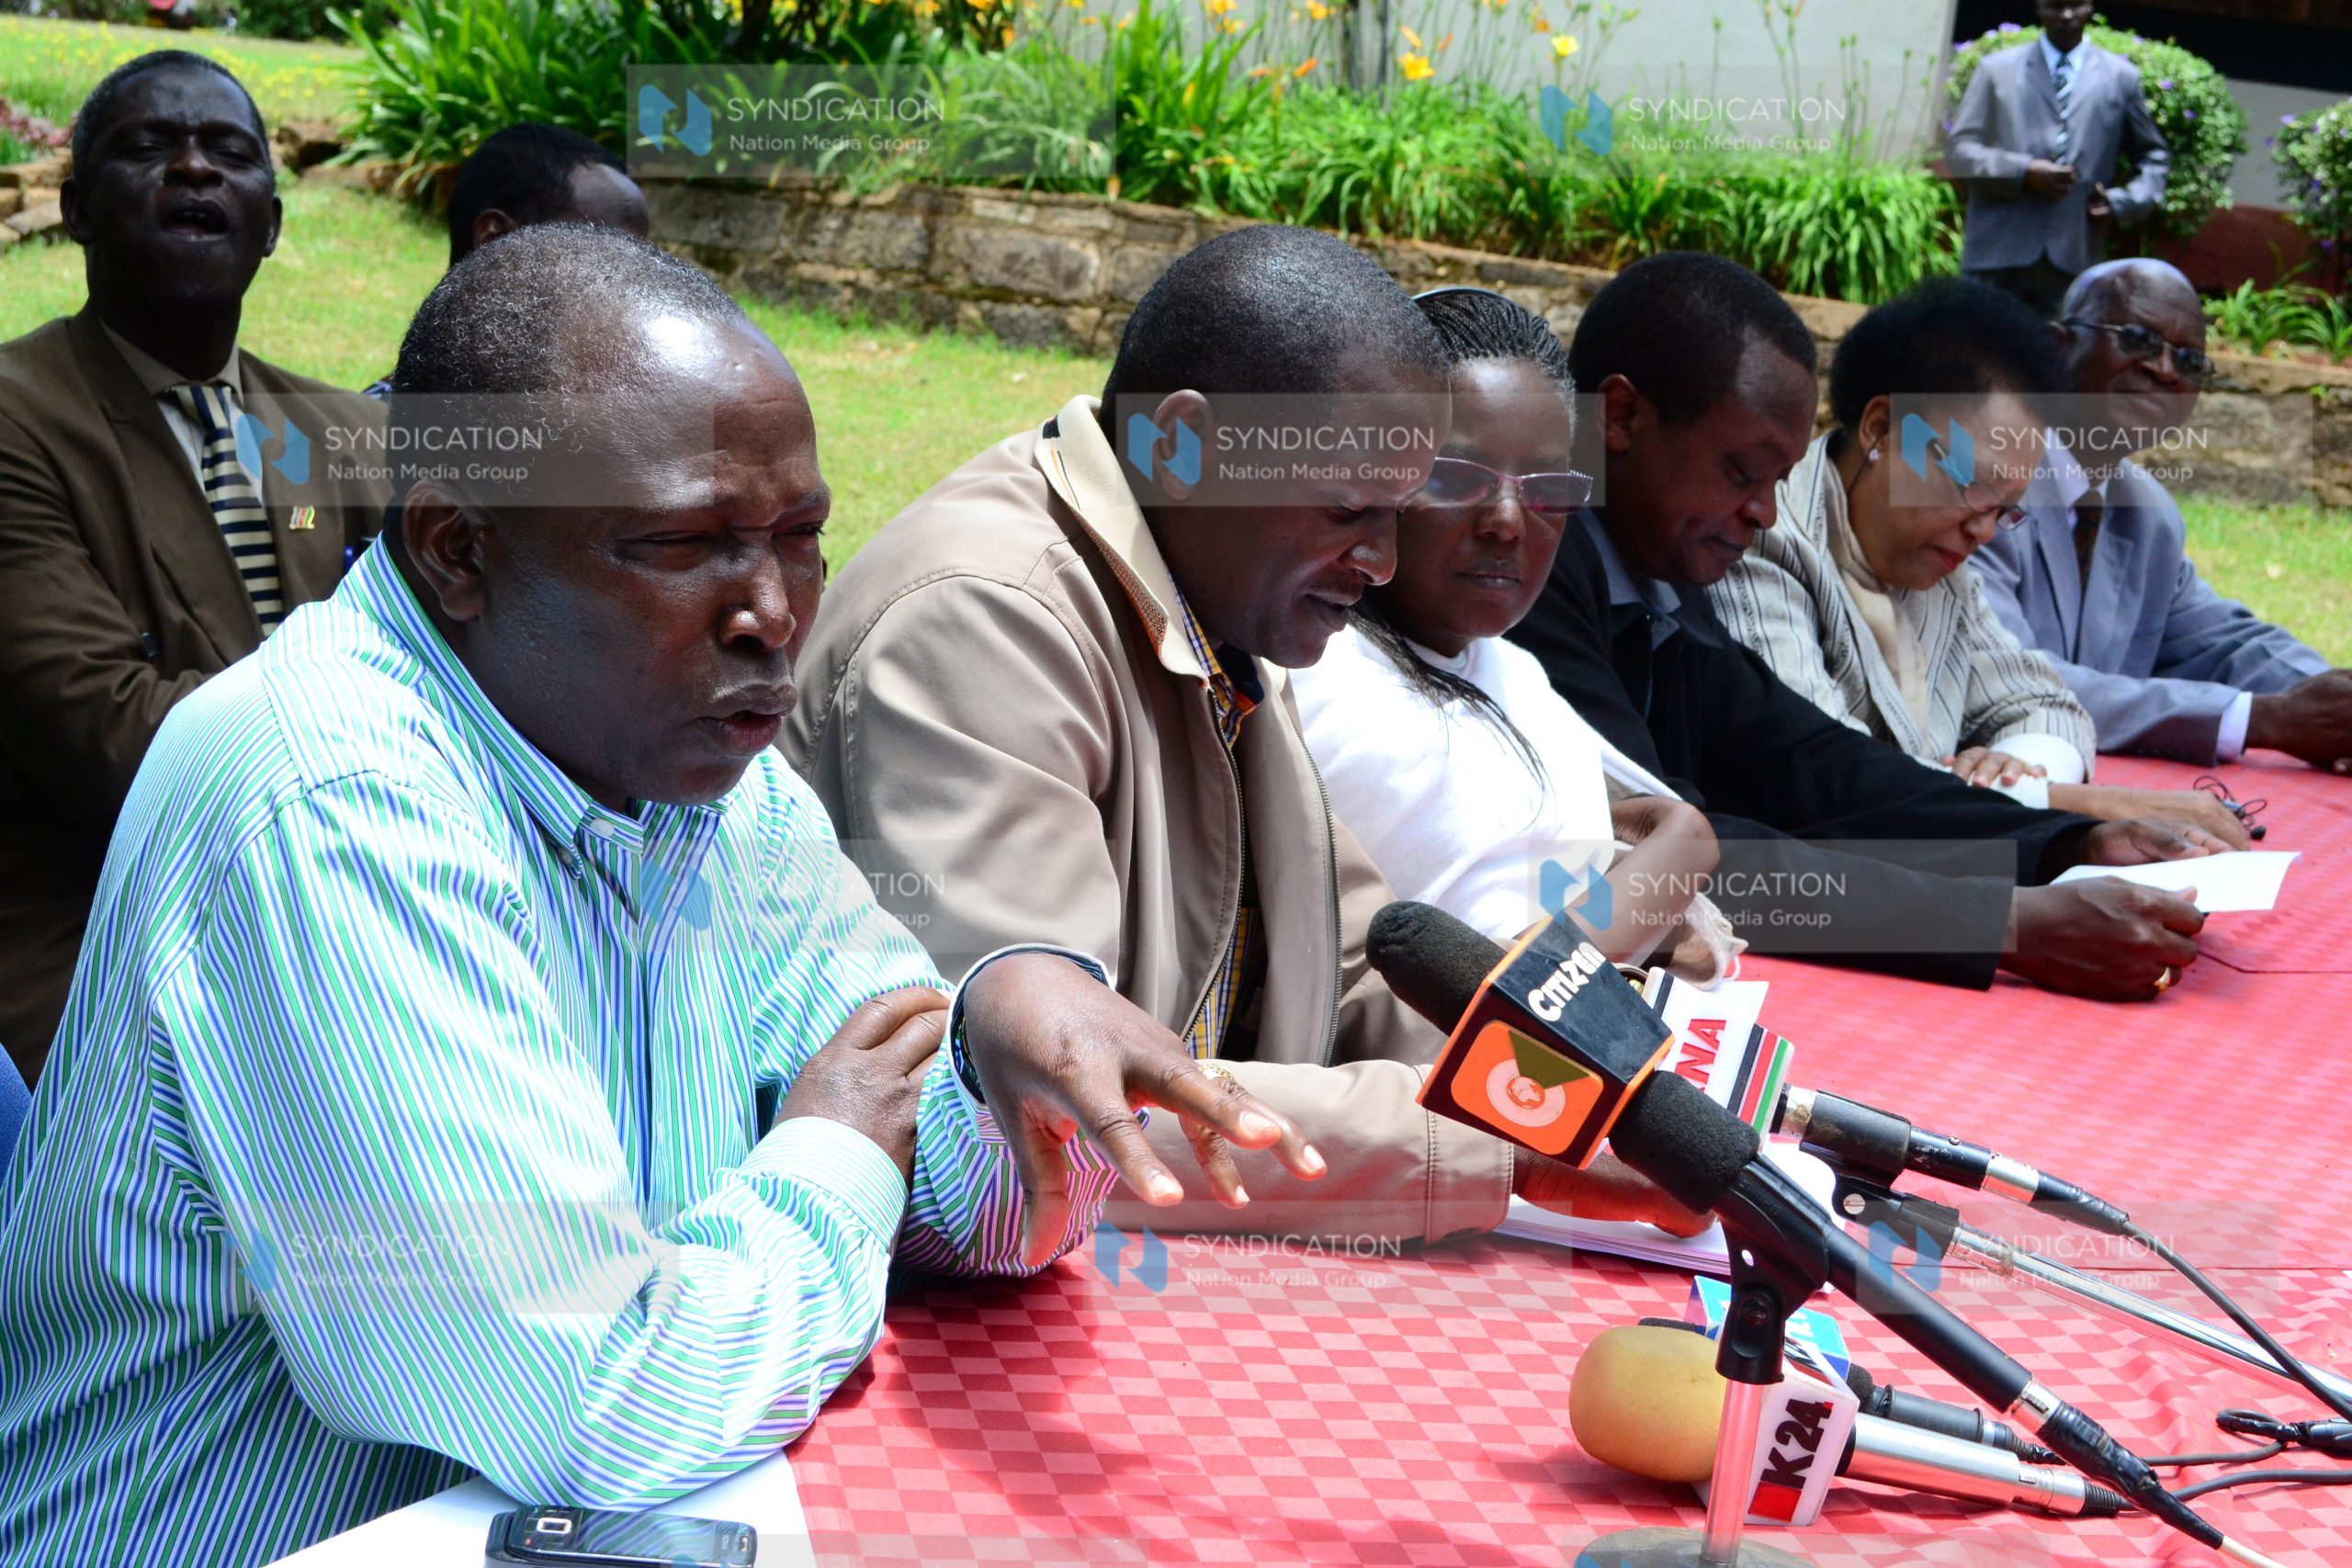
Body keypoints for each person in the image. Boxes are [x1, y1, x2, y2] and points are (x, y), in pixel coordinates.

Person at [0, 226, 1317, 1564]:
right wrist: (831, 1154)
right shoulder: (333, 804)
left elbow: (959, 1200)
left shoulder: (700, 771)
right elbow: (603, 1407)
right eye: (685, 545)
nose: (772, 613)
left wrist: (1002, 1043)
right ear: (458, 548)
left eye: (800, 537)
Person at [790, 225, 1704, 1246]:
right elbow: (1053, 1112)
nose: (1384, 561)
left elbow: (1362, 969)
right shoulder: (983, 621)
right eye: (1350, 507)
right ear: (1181, 448)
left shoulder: (1217, 599)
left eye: (1399, 511)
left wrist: (1594, 1090)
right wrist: (1508, 1142)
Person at [1508, 252, 2219, 1003]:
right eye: (1742, 472)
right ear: (1621, 417)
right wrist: (2010, 924)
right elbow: (1662, 857)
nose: (1766, 513)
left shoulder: (1658, 563)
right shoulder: (1528, 572)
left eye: (1777, 481)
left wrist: (2065, 844)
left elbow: (1815, 766)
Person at [0, 51, 384, 1084]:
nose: (195, 169)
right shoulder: (19, 418)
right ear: (76, 211)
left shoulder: (326, 428)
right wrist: (388, 748)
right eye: (148, 147)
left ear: (272, 223)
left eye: (228, 151)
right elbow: (114, 738)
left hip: (352, 923)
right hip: (105, 951)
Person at [1290, 287, 1734, 978]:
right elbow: (1516, 991)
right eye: (1456, 477)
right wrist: (1683, 843)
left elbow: (1690, 938)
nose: (1506, 520)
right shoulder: (1320, 675)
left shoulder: (1512, 671)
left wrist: (1663, 869)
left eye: (1548, 488)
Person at [1713, 276, 2246, 846]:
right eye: (1971, 484)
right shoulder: (1765, 539)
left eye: (2006, 509)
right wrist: (2062, 804)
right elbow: (1824, 776)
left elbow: (2048, 705)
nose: (1984, 531)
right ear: (1881, 428)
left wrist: (2015, 768)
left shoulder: (1939, 567)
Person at [1973, 258, 2352, 771]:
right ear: (2055, 347)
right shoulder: (1974, 475)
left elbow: (2226, 643)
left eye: (2190, 361)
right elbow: (2008, 676)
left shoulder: (2147, 513)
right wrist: (2261, 720)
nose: (2165, 370)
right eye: (2137, 339)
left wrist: (2332, 703)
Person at [361, 123, 650, 397]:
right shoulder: (378, 426)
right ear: (496, 242)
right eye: (605, 258)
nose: (631, 288)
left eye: (638, 265)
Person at [1945, 0, 2169, 316]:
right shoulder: (1997, 70)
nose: (2066, 15)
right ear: (2038, 7)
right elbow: (1960, 151)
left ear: (2090, 7)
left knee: (2056, 348)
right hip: (1997, 251)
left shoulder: (2121, 78)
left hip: (2072, 252)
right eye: (2055, 6)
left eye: (2075, 5)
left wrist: (2124, 201)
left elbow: (2153, 155)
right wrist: (2023, 171)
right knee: (1976, 344)